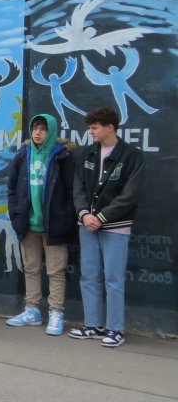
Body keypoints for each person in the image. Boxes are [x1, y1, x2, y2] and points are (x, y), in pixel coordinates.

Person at [68, 107, 145, 348]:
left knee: (113, 279)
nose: (90, 131)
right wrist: (84, 214)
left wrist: (101, 216)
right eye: (90, 128)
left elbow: (130, 195)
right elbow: (78, 188)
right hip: (87, 225)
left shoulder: (132, 155)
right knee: (89, 275)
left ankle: (115, 329)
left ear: (110, 127)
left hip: (116, 226)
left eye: (94, 127)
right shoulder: (86, 153)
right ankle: (93, 325)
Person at [6, 114, 77, 335]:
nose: (37, 133)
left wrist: (64, 217)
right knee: (31, 269)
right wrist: (17, 214)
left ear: (51, 131)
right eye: (35, 128)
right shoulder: (23, 154)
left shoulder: (63, 156)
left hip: (54, 225)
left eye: (43, 129)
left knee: (56, 271)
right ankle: (32, 310)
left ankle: (56, 313)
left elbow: (72, 191)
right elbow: (12, 187)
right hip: (28, 224)